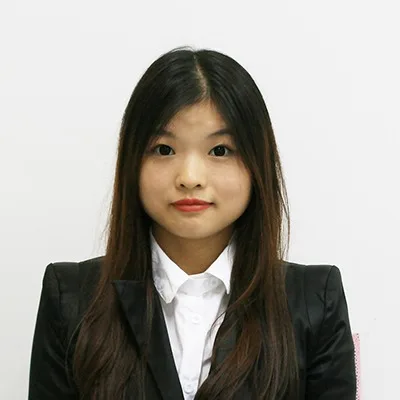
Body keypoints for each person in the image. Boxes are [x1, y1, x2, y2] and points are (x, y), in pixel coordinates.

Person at [28, 47, 356, 400]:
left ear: (257, 164)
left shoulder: (313, 301)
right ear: (132, 162)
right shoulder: (72, 298)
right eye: (164, 149)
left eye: (220, 150)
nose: (190, 177)